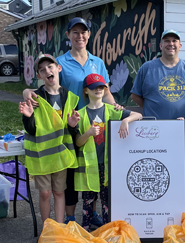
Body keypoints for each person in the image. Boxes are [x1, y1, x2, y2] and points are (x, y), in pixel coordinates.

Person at [23, 17, 121, 224]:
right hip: (70, 126)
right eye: (75, 32)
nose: (80, 36)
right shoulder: (60, 63)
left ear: (88, 34)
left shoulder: (98, 62)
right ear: (68, 36)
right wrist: (25, 92)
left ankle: (91, 213)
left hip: (94, 124)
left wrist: (117, 108)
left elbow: (106, 92)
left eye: (83, 32)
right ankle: (68, 218)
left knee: (91, 168)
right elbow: (44, 89)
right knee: (69, 175)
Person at [73, 73, 142, 231]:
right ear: (86, 91)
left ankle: (108, 231)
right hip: (89, 166)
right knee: (88, 201)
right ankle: (86, 232)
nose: (98, 90)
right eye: (93, 87)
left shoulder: (113, 110)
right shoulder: (81, 114)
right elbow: (78, 142)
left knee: (108, 201)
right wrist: (88, 133)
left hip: (108, 165)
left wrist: (125, 120)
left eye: (101, 87)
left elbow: (139, 114)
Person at [19, 53, 80, 223]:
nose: (47, 71)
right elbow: (31, 129)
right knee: (45, 193)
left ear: (58, 68)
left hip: (61, 154)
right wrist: (28, 117)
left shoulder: (69, 97)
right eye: (42, 69)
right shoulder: (36, 98)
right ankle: (47, 230)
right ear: (39, 76)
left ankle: (58, 229)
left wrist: (73, 125)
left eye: (50, 67)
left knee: (59, 192)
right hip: (42, 155)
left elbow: (72, 129)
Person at [130, 29, 185, 120]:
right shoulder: (147, 68)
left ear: (180, 46)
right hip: (153, 128)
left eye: (174, 41)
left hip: (184, 126)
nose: (171, 44)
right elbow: (135, 96)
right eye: (167, 41)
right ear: (160, 46)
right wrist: (152, 107)